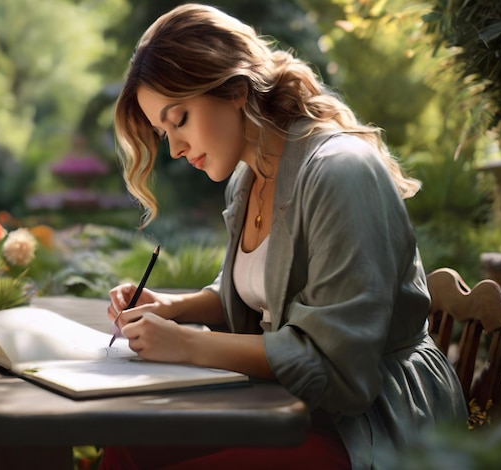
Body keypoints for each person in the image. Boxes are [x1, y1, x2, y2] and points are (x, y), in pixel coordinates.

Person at [104, 3, 468, 469]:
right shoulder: (248, 177)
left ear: (235, 89)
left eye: (180, 120)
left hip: (370, 421)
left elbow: (336, 364)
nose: (173, 148)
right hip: (288, 405)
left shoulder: (341, 172)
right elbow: (264, 290)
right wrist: (175, 307)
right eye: (161, 132)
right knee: (125, 441)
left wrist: (186, 343)